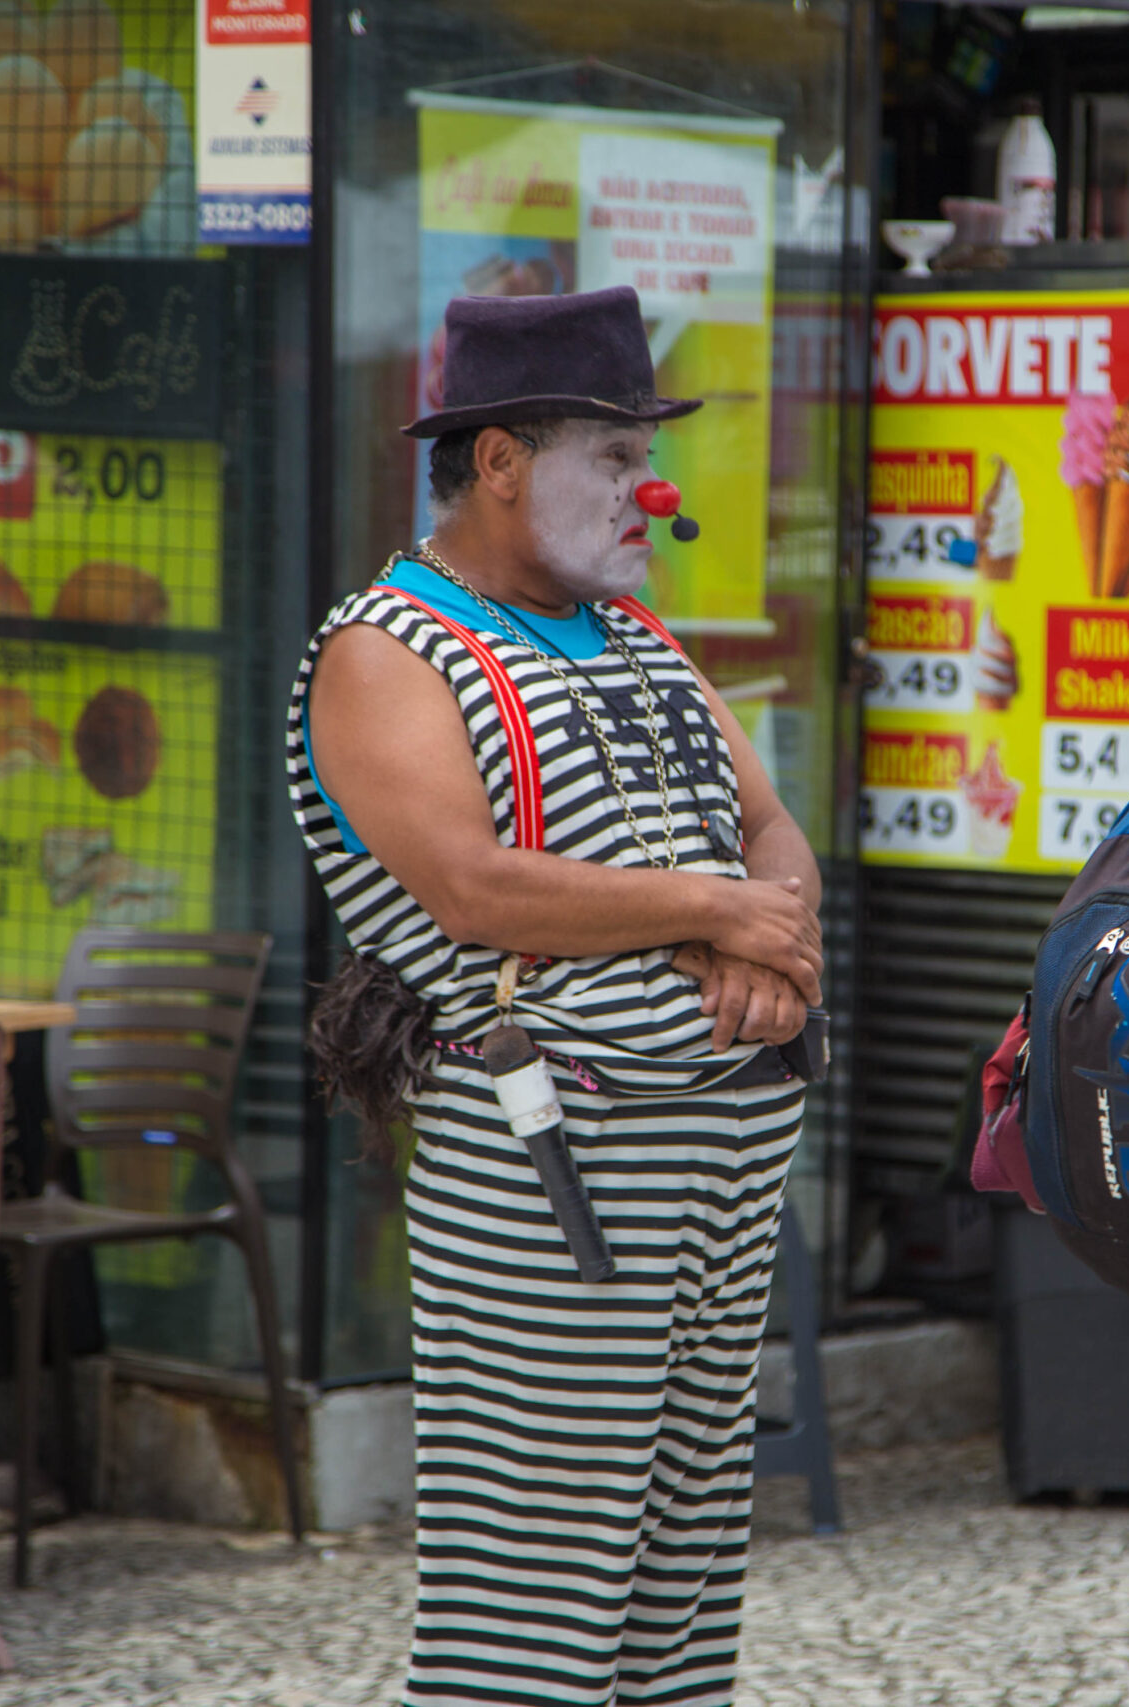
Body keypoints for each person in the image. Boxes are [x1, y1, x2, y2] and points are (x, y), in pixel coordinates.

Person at [287, 286, 825, 1706]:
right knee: (536, 1574)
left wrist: (767, 946)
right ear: (501, 461)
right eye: (610, 453)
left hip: (723, 1157)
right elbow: (473, 886)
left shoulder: (641, 639)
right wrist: (718, 913)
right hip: (553, 1167)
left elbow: (772, 830)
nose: (650, 487)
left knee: (679, 1567)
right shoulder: (384, 649)